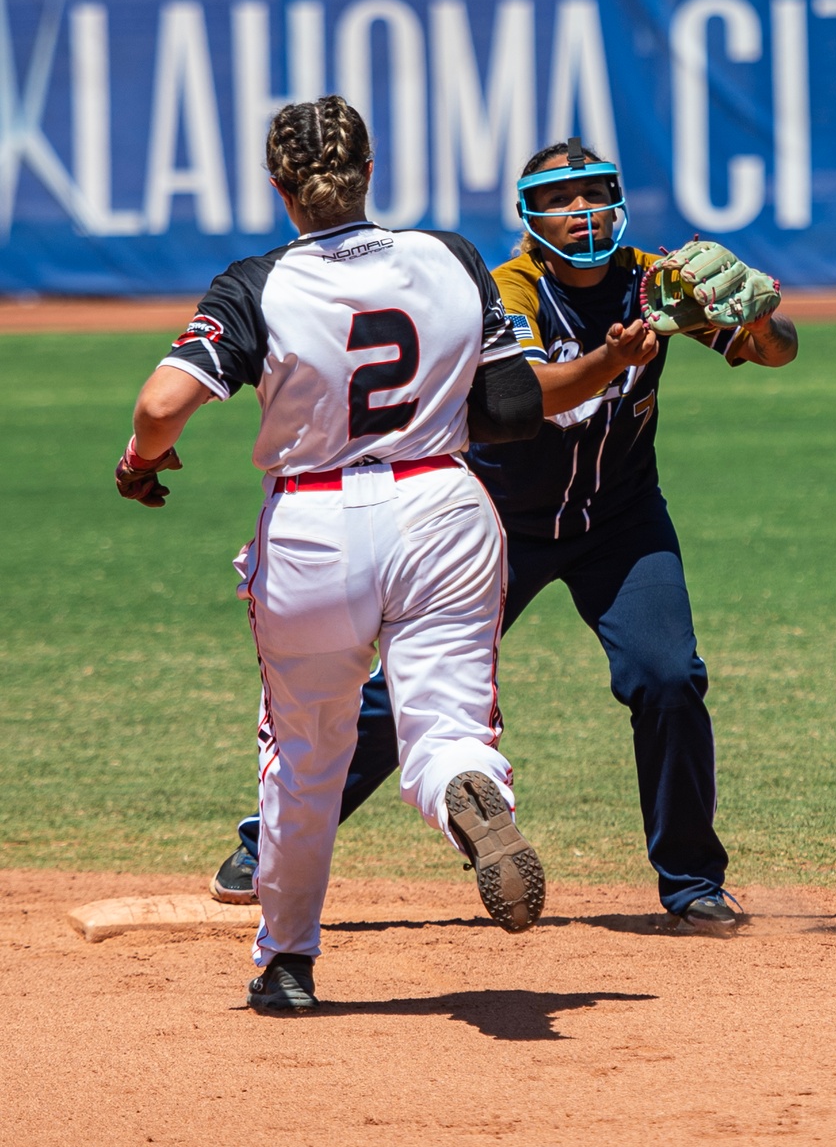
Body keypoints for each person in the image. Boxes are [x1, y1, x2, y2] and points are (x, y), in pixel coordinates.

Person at [211, 136, 799, 933]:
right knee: (396, 698)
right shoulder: (506, 286)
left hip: (620, 518)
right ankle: (262, 845)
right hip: (500, 521)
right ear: (528, 216)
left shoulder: (655, 279)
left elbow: (773, 354)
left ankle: (692, 882)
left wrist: (760, 313)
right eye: (561, 199)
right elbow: (537, 394)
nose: (582, 211)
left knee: (668, 678)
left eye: (594, 193)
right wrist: (608, 360)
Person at [116, 95, 545, 1011]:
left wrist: (142, 462)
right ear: (370, 174)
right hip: (442, 505)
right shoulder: (451, 257)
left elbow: (160, 409)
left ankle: (287, 963)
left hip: (315, 526)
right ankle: (469, 787)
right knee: (446, 727)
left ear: (280, 189)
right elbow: (511, 414)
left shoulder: (258, 283)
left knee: (307, 758)